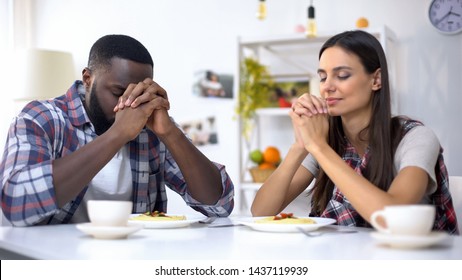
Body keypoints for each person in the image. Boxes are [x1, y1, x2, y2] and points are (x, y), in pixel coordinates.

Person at [0, 34, 234, 226]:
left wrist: (170, 133)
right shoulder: (41, 118)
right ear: (88, 78)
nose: (127, 105)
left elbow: (220, 205)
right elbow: (15, 202)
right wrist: (117, 134)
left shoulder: (152, 129)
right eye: (118, 92)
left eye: (138, 95)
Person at [251, 30, 458, 234]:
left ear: (376, 80)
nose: (327, 87)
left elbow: (393, 218)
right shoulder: (327, 139)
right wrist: (300, 145)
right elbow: (260, 211)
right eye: (323, 77)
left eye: (342, 75)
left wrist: (319, 147)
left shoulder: (415, 138)